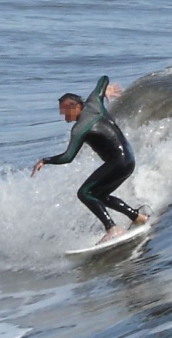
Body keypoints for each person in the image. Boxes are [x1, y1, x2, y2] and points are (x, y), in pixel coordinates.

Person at [32, 75, 148, 244]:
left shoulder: (80, 128)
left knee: (85, 193)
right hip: (129, 159)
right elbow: (103, 79)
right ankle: (137, 217)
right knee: (99, 194)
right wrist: (105, 90)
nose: (63, 115)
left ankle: (112, 228)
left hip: (117, 163)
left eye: (65, 111)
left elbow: (68, 157)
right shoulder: (94, 102)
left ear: (76, 106)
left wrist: (45, 160)